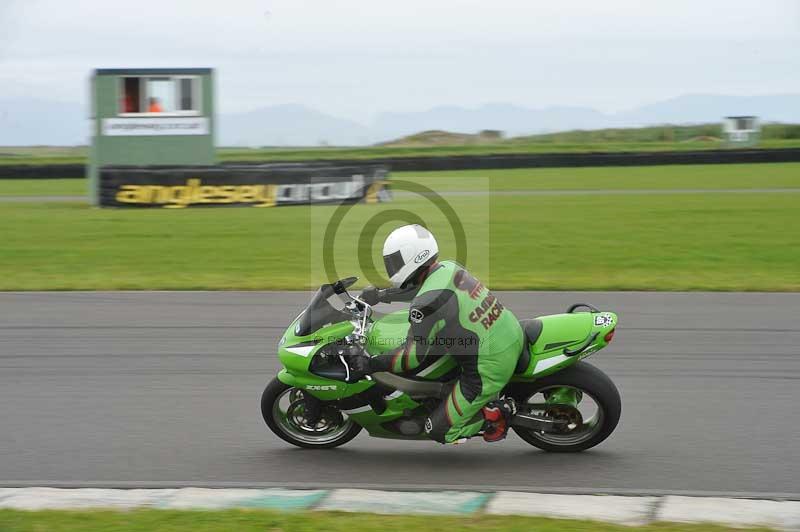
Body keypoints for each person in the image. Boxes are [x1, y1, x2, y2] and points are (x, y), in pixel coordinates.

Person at [351, 224, 525, 444]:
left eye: (395, 261)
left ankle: (497, 413)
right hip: (508, 331)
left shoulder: (425, 304)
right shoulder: (449, 267)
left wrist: (371, 364)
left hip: (489, 366)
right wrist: (382, 295)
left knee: (438, 430)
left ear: (412, 257)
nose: (391, 266)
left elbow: (413, 357)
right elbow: (424, 291)